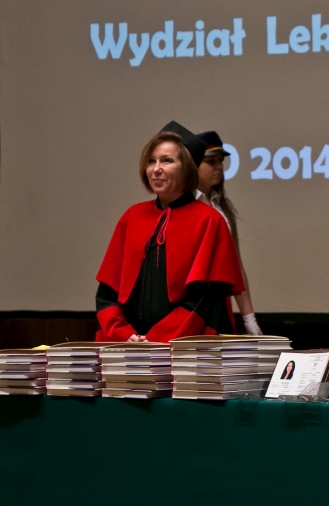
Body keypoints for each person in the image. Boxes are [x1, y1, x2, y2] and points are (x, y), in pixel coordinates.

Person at [95, 121, 245, 342]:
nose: (156, 169)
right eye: (151, 161)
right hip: (130, 347)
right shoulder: (132, 217)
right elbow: (107, 294)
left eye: (167, 160)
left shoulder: (209, 221)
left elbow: (205, 302)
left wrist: (156, 340)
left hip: (185, 347)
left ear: (187, 168)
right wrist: (124, 334)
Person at [196, 130, 262, 335]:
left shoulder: (222, 207)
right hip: (191, 303)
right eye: (211, 162)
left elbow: (236, 264)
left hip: (220, 304)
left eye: (220, 161)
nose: (219, 167)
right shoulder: (183, 207)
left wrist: (249, 318)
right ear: (193, 165)